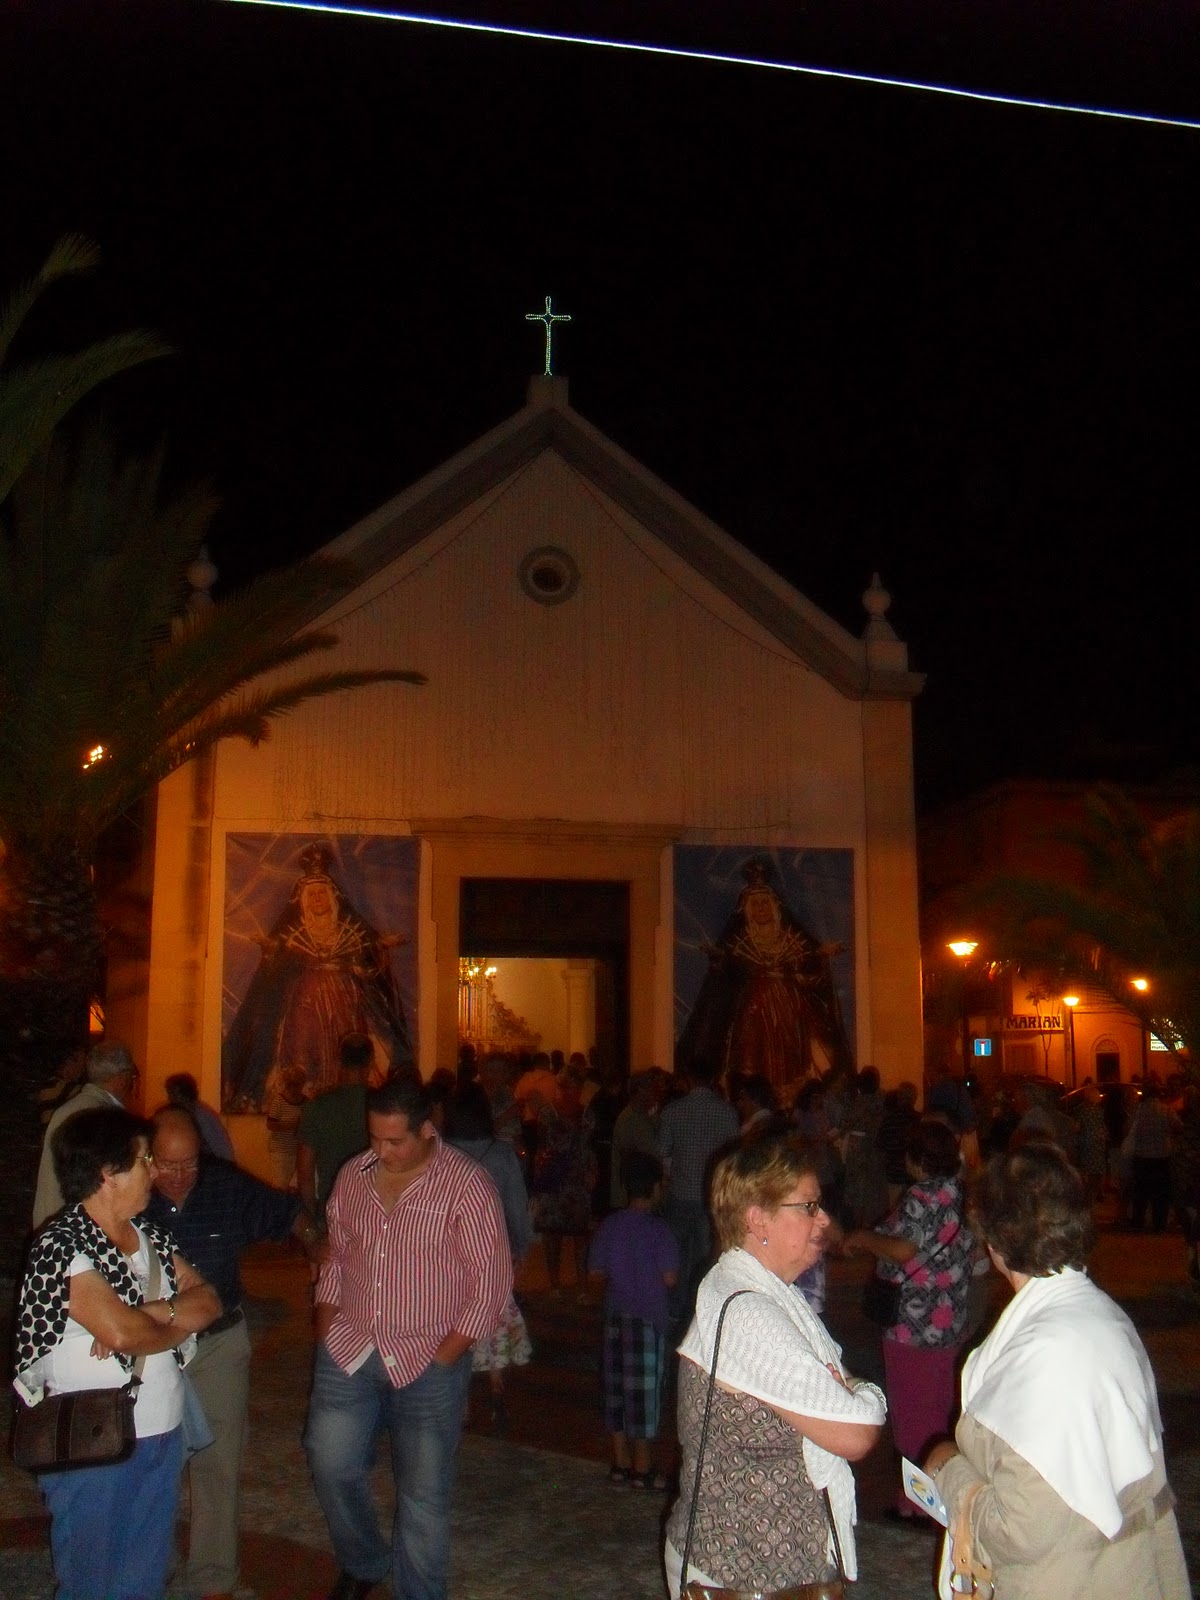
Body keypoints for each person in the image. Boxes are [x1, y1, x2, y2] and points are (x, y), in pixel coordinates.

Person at [926, 1144, 1188, 1600]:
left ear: (994, 1242)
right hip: (1130, 1570)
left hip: (1072, 1581)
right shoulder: (1103, 1315)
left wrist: (948, 1468)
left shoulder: (1041, 1354)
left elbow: (1020, 1531)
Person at [304, 1076, 512, 1600]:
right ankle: (364, 1561)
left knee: (423, 1495)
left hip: (428, 1357)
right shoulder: (354, 1175)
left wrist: (446, 1356)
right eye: (374, 1138)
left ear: (425, 1129)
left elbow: (490, 1282)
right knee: (330, 1461)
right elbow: (338, 1255)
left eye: (394, 1141)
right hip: (350, 1346)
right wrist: (326, 1324)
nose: (382, 1151)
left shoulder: (466, 1185)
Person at [663, 1131, 885, 1597]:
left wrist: (847, 1390)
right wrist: (865, 1394)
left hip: (767, 1562)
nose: (824, 1219)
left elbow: (840, 1389)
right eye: (808, 1207)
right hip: (744, 1570)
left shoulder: (763, 1292)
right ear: (757, 1218)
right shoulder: (750, 1313)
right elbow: (857, 1435)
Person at [13, 1107, 221, 1600]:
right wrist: (158, 1321)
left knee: (143, 1578)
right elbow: (125, 1335)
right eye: (144, 1159)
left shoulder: (151, 1236)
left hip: (161, 1431)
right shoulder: (61, 1246)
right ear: (108, 1173)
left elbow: (210, 1302)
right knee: (91, 1580)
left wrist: (149, 1313)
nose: (155, 1170)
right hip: (91, 1440)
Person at [145, 1105, 317, 1600]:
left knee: (218, 1459)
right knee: (152, 1461)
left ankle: (214, 1575)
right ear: (147, 1158)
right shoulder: (131, 1194)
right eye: (167, 1165)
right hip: (152, 1348)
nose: (179, 1177)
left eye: (189, 1164)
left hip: (218, 1342)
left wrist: (315, 1242)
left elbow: (285, 1213)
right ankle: (148, 1568)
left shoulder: (224, 1185)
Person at [845, 1118, 975, 1521]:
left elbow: (903, 1249)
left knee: (910, 1413)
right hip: (949, 1319)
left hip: (912, 1322)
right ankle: (939, 1496)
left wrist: (865, 1239)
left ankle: (915, 1504)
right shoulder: (962, 1194)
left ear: (917, 1159)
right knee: (938, 1409)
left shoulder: (920, 1195)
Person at [223, 842, 412, 1109]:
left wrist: (380, 946)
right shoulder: (292, 932)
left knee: (344, 1044)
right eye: (312, 895)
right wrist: (272, 950)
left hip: (344, 999)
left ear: (331, 896)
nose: (317, 899)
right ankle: (306, 1091)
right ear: (304, 900)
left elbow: (368, 955)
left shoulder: (351, 928)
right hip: (304, 1002)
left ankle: (344, 1090)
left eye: (321, 893)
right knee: (303, 1047)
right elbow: (276, 967)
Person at [675, 855, 854, 1097]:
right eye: (756, 904)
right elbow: (730, 969)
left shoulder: (790, 937)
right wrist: (720, 956)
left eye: (765, 903)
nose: (761, 908)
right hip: (753, 1006)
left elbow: (806, 961)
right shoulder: (741, 941)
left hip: (790, 1006)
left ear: (774, 906)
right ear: (748, 909)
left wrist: (821, 953)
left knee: (798, 1049)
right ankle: (754, 1092)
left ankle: (792, 1093)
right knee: (751, 1049)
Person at [443, 1083, 533, 1432]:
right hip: (494, 1249)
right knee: (493, 1315)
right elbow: (516, 1204)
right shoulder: (501, 1153)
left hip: (451, 1251)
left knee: (454, 1317)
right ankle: (496, 1387)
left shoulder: (441, 1152)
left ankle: (462, 1401)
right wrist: (520, 1246)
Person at [588, 1150, 679, 1491]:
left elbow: (596, 1270)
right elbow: (670, 1277)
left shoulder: (611, 1225)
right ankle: (643, 1467)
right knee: (644, 1393)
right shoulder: (659, 1230)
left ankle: (620, 1461)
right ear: (655, 1188)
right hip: (648, 1319)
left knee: (615, 1389)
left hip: (615, 1315)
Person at [658, 1059, 739, 1337]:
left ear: (689, 1079)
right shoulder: (727, 1113)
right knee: (707, 1257)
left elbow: (662, 1153)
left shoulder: (673, 1111)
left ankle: (674, 1308)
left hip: (681, 1193)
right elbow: (734, 1155)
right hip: (712, 1196)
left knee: (676, 1255)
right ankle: (701, 1311)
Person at [33, 1041, 140, 1226]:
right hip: (77, 1228)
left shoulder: (73, 1109)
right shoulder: (103, 1118)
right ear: (122, 1077)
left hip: (54, 1222)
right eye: (132, 1076)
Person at [296, 1031, 373, 1226]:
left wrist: (313, 1216)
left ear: (338, 1062)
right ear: (370, 1063)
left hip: (332, 1209)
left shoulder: (317, 1107)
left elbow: (305, 1173)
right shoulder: (383, 1105)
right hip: (375, 1213)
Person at [164, 1071, 236, 1161]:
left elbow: (223, 1153)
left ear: (183, 1094)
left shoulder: (202, 1116)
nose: (170, 1099)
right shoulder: (186, 1115)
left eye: (173, 1094)